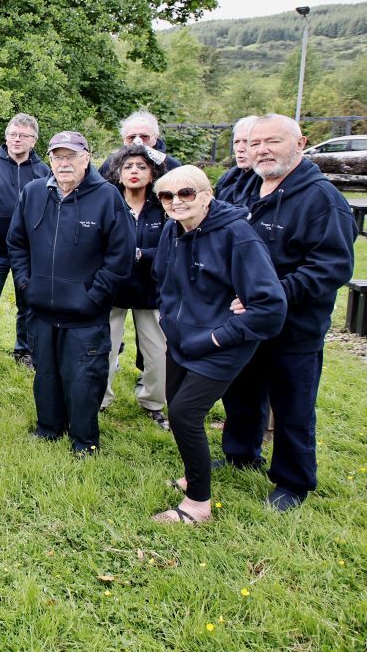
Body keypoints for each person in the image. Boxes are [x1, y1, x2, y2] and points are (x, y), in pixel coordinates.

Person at [217, 114, 357, 511]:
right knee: (242, 392)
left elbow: (331, 267)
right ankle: (240, 453)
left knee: (292, 404)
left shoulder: (321, 199)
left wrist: (272, 293)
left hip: (294, 326)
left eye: (273, 142)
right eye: (256, 142)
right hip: (246, 320)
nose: (262, 150)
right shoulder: (247, 187)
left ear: (300, 143)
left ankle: (293, 482)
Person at [151, 166, 286, 523]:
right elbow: (162, 278)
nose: (176, 202)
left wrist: (216, 336)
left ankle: (198, 504)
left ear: (207, 195)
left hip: (221, 345)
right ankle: (192, 475)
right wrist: (167, 318)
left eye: (186, 193)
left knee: (185, 414)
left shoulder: (237, 235)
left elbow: (270, 307)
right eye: (167, 196)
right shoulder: (172, 230)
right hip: (181, 339)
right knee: (176, 409)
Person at [8, 131, 134, 455]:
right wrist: (25, 283)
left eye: (70, 156)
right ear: (49, 159)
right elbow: (16, 242)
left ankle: (84, 440)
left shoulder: (107, 197)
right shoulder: (34, 193)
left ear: (86, 158)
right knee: (46, 374)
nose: (63, 163)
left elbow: (120, 257)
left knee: (83, 379)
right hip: (42, 308)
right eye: (57, 156)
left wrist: (94, 296)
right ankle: (49, 428)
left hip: (85, 314)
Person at [0, 113, 51, 369]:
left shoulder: (43, 171)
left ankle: (24, 350)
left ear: (33, 140)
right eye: (13, 134)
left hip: (29, 251)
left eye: (23, 135)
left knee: (28, 304)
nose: (17, 139)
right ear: (6, 136)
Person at [100, 145, 168, 427]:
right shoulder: (110, 202)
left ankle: (153, 402)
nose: (134, 172)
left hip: (150, 290)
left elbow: (170, 246)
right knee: (105, 348)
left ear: (152, 173)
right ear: (118, 172)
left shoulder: (163, 206)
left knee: (158, 353)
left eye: (141, 167)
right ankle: (100, 399)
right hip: (114, 289)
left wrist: (141, 254)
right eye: (128, 167)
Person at [98, 110, 183, 176]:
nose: (137, 141)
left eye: (144, 136)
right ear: (124, 139)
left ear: (155, 138)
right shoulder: (110, 164)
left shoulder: (171, 165)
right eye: (131, 137)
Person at [215, 115, 258, 207]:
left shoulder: (270, 181)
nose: (239, 148)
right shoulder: (226, 180)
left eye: (247, 141)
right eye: (236, 142)